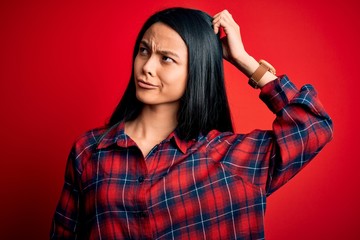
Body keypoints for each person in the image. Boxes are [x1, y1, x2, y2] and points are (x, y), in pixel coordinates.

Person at [50, 7, 333, 239]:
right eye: (144, 51)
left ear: (196, 70)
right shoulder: (90, 151)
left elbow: (313, 126)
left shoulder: (233, 160)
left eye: (166, 59)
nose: (147, 67)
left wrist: (243, 60)